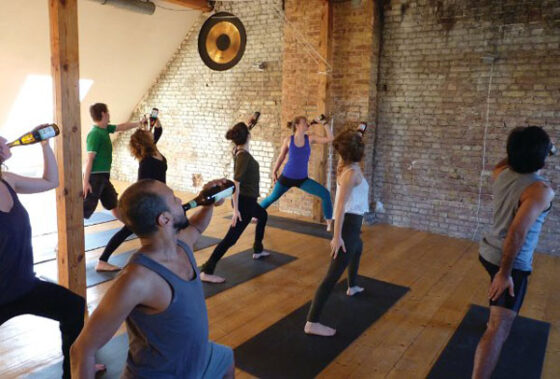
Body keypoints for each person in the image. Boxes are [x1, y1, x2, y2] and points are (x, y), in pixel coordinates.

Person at [70, 179, 234, 379]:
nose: (181, 200)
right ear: (164, 219)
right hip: (160, 374)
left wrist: (209, 203)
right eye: (174, 199)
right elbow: (81, 350)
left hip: (195, 359)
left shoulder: (181, 244)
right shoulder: (137, 279)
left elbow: (197, 227)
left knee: (225, 357)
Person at [0, 136, 104, 378]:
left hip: (25, 286)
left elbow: (51, 181)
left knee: (73, 307)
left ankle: (74, 371)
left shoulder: (7, 180)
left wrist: (44, 145)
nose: (5, 140)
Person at [473, 126, 555, 379]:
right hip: (509, 264)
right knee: (498, 328)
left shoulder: (501, 173)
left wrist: (521, 150)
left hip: (488, 252)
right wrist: (504, 274)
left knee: (497, 312)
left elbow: (508, 161)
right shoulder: (540, 190)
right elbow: (516, 234)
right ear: (542, 156)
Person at [304, 127, 369, 337]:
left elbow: (354, 140)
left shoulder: (348, 165)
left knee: (358, 248)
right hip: (348, 226)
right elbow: (339, 207)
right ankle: (312, 322)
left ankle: (352, 286)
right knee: (331, 277)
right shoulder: (350, 173)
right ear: (355, 152)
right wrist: (336, 237)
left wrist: (359, 131)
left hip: (354, 225)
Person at [200, 117, 269, 283]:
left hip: (249, 201)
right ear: (248, 136)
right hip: (244, 202)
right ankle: (207, 270)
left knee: (263, 215)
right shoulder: (243, 156)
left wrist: (248, 125)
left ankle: (258, 249)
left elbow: (245, 132)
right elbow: (236, 183)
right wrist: (235, 210)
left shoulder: (237, 150)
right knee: (231, 239)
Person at [95, 119, 166, 272]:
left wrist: (157, 122)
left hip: (160, 198)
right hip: (148, 201)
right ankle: (102, 261)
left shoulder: (154, 149)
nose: (151, 132)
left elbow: (158, 131)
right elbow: (141, 184)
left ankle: (160, 258)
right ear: (146, 140)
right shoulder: (146, 161)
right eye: (148, 132)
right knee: (128, 229)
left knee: (163, 228)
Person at [260, 115, 334, 230]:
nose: (307, 124)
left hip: (302, 180)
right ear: (297, 125)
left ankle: (329, 223)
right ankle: (254, 213)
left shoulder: (310, 138)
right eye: (304, 122)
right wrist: (274, 171)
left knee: (325, 194)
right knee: (272, 198)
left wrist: (324, 123)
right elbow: (281, 156)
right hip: (286, 178)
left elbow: (330, 138)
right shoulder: (288, 140)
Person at [83, 102, 145, 220]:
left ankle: (128, 226)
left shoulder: (104, 129)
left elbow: (122, 126)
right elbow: (89, 159)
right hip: (95, 177)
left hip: (104, 176)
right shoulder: (95, 134)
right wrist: (86, 182)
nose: (109, 115)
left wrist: (139, 123)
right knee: (85, 209)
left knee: (113, 202)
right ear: (104, 114)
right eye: (108, 112)